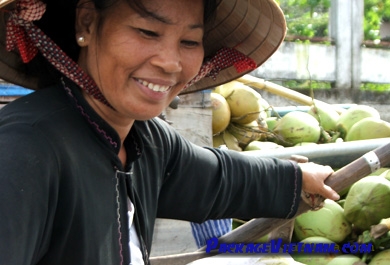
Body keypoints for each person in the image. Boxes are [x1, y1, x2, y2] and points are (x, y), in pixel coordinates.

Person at [0, 0, 340, 264]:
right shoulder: (26, 148)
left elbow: (218, 179)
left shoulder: (144, 141)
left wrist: (297, 179)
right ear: (87, 23)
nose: (170, 62)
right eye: (147, 32)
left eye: (190, 41)